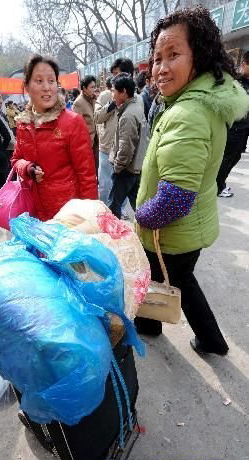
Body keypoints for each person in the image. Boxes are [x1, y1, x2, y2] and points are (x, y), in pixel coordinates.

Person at [135, 7, 249, 355]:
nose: (161, 68)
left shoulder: (187, 114)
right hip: (189, 228)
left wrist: (137, 219)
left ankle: (156, 326)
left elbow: (173, 200)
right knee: (181, 280)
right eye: (157, 58)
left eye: (174, 55)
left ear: (198, 57)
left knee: (165, 279)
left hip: (173, 232)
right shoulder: (193, 102)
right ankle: (202, 337)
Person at [11, 54, 98, 221]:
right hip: (35, 211)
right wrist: (27, 168)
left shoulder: (72, 122)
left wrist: (90, 216)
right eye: (39, 81)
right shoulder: (23, 124)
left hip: (68, 214)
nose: (47, 87)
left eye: (51, 81)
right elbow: (16, 160)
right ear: (27, 87)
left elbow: (87, 176)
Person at [108, 73, 147, 219]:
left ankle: (114, 237)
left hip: (125, 169)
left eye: (114, 91)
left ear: (123, 92)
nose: (112, 95)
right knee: (138, 203)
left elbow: (125, 148)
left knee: (114, 205)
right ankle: (147, 229)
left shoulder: (128, 116)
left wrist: (117, 168)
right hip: (136, 167)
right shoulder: (137, 102)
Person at [216, 50, 249, 197]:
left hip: (245, 129)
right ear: (243, 64)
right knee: (227, 157)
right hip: (234, 128)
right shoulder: (235, 81)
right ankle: (218, 185)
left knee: (235, 157)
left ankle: (221, 183)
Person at [94, 76, 117, 205]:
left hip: (123, 147)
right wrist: (112, 104)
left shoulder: (132, 95)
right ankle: (104, 208)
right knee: (105, 183)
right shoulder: (104, 96)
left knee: (121, 183)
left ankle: (120, 210)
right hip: (106, 146)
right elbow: (97, 117)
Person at [73, 75, 99, 174]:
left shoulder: (94, 99)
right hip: (88, 143)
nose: (94, 89)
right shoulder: (78, 103)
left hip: (97, 140)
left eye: (94, 86)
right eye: (92, 87)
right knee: (90, 170)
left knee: (98, 169)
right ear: (84, 88)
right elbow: (76, 127)